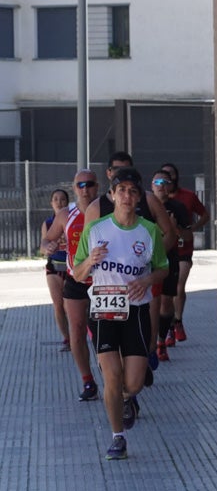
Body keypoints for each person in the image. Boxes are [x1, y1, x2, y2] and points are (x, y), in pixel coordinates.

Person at [73, 167, 168, 461]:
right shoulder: (96, 229)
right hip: (103, 312)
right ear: (112, 195)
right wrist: (90, 260)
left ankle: (129, 396)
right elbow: (77, 274)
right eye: (121, 190)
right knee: (111, 377)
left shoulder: (148, 231)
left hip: (136, 313)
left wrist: (147, 281)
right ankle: (118, 438)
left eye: (132, 191)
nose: (127, 196)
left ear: (139, 198)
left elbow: (163, 268)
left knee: (133, 384)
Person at [41, 170, 101, 402]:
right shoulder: (66, 214)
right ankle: (88, 381)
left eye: (89, 185)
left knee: (102, 332)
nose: (85, 189)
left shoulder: (108, 210)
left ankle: (113, 376)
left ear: (97, 187)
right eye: (80, 185)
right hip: (75, 279)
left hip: (103, 281)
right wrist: (49, 246)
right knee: (76, 331)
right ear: (74, 188)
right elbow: (46, 240)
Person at [159, 162, 210, 343]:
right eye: (161, 179)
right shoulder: (152, 202)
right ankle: (168, 326)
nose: (165, 181)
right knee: (165, 295)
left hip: (183, 249)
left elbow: (205, 214)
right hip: (163, 251)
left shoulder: (187, 197)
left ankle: (178, 320)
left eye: (170, 176)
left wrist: (192, 228)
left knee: (179, 285)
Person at [149, 170, 190, 360]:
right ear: (151, 185)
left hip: (169, 258)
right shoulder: (143, 206)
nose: (161, 185)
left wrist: (175, 229)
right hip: (146, 262)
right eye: (157, 181)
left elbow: (188, 236)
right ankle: (151, 343)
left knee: (166, 304)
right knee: (150, 304)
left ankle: (162, 338)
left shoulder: (178, 207)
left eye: (165, 182)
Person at [40, 187, 71, 349]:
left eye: (63, 199)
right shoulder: (48, 223)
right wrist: (48, 248)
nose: (59, 202)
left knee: (69, 305)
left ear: (67, 202)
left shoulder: (71, 219)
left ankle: (77, 335)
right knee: (58, 305)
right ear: (51, 203)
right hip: (54, 267)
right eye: (56, 199)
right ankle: (67, 338)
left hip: (71, 268)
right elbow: (42, 247)